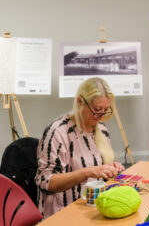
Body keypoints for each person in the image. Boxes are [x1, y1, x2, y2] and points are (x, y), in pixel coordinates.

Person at [35, 77, 124, 217]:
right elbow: (45, 182)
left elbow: (97, 171)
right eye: (97, 109)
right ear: (80, 102)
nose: (101, 115)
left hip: (93, 209)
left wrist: (110, 169)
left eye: (106, 110)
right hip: (62, 214)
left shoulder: (101, 129)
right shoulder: (59, 132)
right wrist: (87, 172)